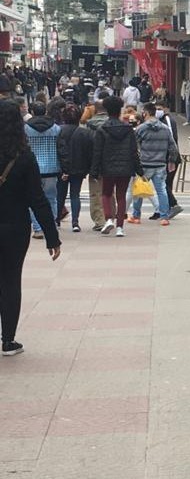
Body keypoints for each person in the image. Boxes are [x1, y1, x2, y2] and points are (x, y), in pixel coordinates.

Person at [0, 99, 61, 356]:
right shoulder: (24, 158)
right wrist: (51, 236)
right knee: (11, 280)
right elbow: (38, 199)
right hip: (14, 227)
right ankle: (8, 340)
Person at [90, 95, 143, 237]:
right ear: (120, 110)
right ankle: (120, 228)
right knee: (121, 196)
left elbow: (97, 152)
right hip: (126, 167)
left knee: (106, 194)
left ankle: (108, 219)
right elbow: (133, 151)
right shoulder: (128, 129)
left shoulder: (102, 130)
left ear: (107, 110)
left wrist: (94, 171)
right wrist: (139, 170)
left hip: (108, 167)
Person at [128, 102, 178, 226]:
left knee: (139, 190)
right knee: (161, 191)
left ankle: (136, 216)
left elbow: (133, 146)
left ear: (146, 113)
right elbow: (173, 147)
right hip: (160, 164)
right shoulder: (165, 128)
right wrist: (171, 161)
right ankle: (164, 217)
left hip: (144, 164)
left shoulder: (141, 128)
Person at [24, 102, 62, 239]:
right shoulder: (56, 128)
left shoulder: (26, 128)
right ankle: (51, 226)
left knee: (33, 199)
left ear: (32, 112)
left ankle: (38, 228)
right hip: (52, 166)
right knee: (51, 198)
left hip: (33, 167)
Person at [56, 104, 90, 232]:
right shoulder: (85, 133)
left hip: (61, 168)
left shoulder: (58, 130)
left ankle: (57, 219)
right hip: (79, 168)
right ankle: (75, 222)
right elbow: (88, 152)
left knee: (60, 195)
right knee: (75, 195)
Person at [84, 91, 112, 231]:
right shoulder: (113, 125)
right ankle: (110, 217)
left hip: (94, 164)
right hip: (111, 164)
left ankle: (99, 220)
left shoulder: (88, 127)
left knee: (96, 193)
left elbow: (86, 147)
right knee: (110, 192)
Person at [155, 100, 183, 219]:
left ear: (166, 109)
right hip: (166, 156)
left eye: (160, 108)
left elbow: (172, 140)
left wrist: (172, 158)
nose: (158, 111)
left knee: (163, 184)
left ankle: (172, 205)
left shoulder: (167, 120)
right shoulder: (161, 120)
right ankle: (165, 209)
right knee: (165, 184)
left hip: (169, 157)